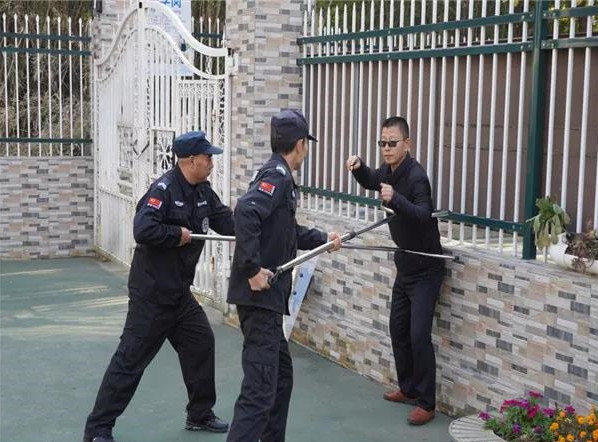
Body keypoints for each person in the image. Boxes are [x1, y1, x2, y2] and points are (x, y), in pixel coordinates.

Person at [83, 131, 234, 442]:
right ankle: (98, 430)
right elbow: (142, 228)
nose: (212, 162)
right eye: (208, 157)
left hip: (179, 294)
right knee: (130, 360)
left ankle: (199, 414)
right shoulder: (163, 190)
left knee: (201, 343)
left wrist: (259, 224)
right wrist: (175, 234)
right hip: (151, 295)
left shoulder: (204, 192)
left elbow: (227, 222)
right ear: (191, 161)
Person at [226, 109, 341, 442]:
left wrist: (324, 240)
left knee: (281, 378)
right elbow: (245, 211)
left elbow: (286, 231)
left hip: (268, 303)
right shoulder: (277, 177)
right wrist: (252, 270)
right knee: (260, 390)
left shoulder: (281, 179)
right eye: (307, 145)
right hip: (260, 299)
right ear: (300, 144)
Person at [346, 116, 444, 426]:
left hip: (427, 267)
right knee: (397, 328)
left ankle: (427, 403)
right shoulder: (388, 171)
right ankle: (409, 388)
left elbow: (424, 214)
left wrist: (396, 199)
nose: (387, 148)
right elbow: (371, 179)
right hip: (406, 265)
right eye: (383, 143)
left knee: (418, 335)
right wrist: (358, 167)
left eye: (392, 143)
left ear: (407, 144)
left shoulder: (416, 177)